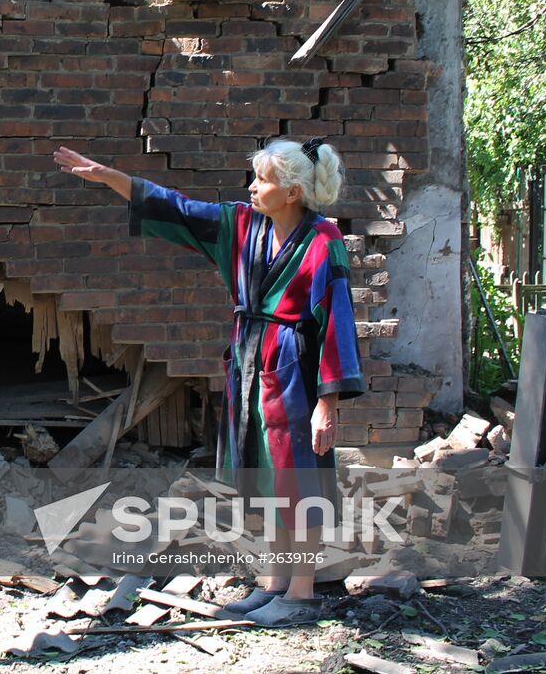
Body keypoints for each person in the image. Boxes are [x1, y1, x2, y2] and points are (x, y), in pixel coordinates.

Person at [53, 138, 365, 627]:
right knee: (264, 477)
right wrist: (110, 176)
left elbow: (337, 323)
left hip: (294, 370)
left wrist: (330, 402)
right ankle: (275, 584)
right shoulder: (241, 225)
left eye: (262, 180)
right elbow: (176, 208)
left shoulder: (326, 242)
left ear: (293, 192)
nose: (252, 187)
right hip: (250, 363)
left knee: (296, 480)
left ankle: (301, 594)